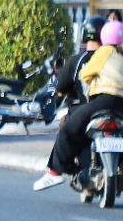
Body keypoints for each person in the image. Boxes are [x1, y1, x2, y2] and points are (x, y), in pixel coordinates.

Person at [35, 19, 123, 192]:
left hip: (102, 101)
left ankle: (55, 172)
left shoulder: (101, 53)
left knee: (68, 129)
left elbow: (85, 74)